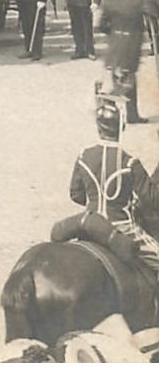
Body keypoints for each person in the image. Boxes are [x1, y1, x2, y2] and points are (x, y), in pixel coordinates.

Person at [70, 95, 159, 274]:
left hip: (89, 224)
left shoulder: (83, 157)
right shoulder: (130, 162)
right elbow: (152, 200)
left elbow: (75, 194)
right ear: (121, 127)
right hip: (122, 225)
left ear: (98, 127)